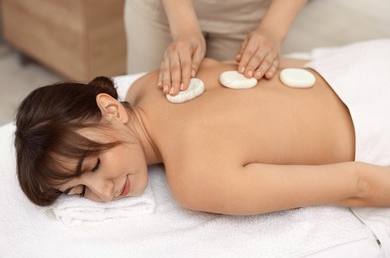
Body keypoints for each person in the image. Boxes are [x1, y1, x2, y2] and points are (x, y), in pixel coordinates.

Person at [15, 40, 390, 216]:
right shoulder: (154, 81)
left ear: (111, 108)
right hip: (357, 63)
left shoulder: (197, 181)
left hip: (377, 120)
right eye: (79, 191)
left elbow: (357, 185)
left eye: (94, 166)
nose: (104, 192)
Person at [125, 0, 309, 97]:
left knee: (229, 103)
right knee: (148, 100)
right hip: (164, 8)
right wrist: (184, 27)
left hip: (250, 12)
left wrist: (272, 29)